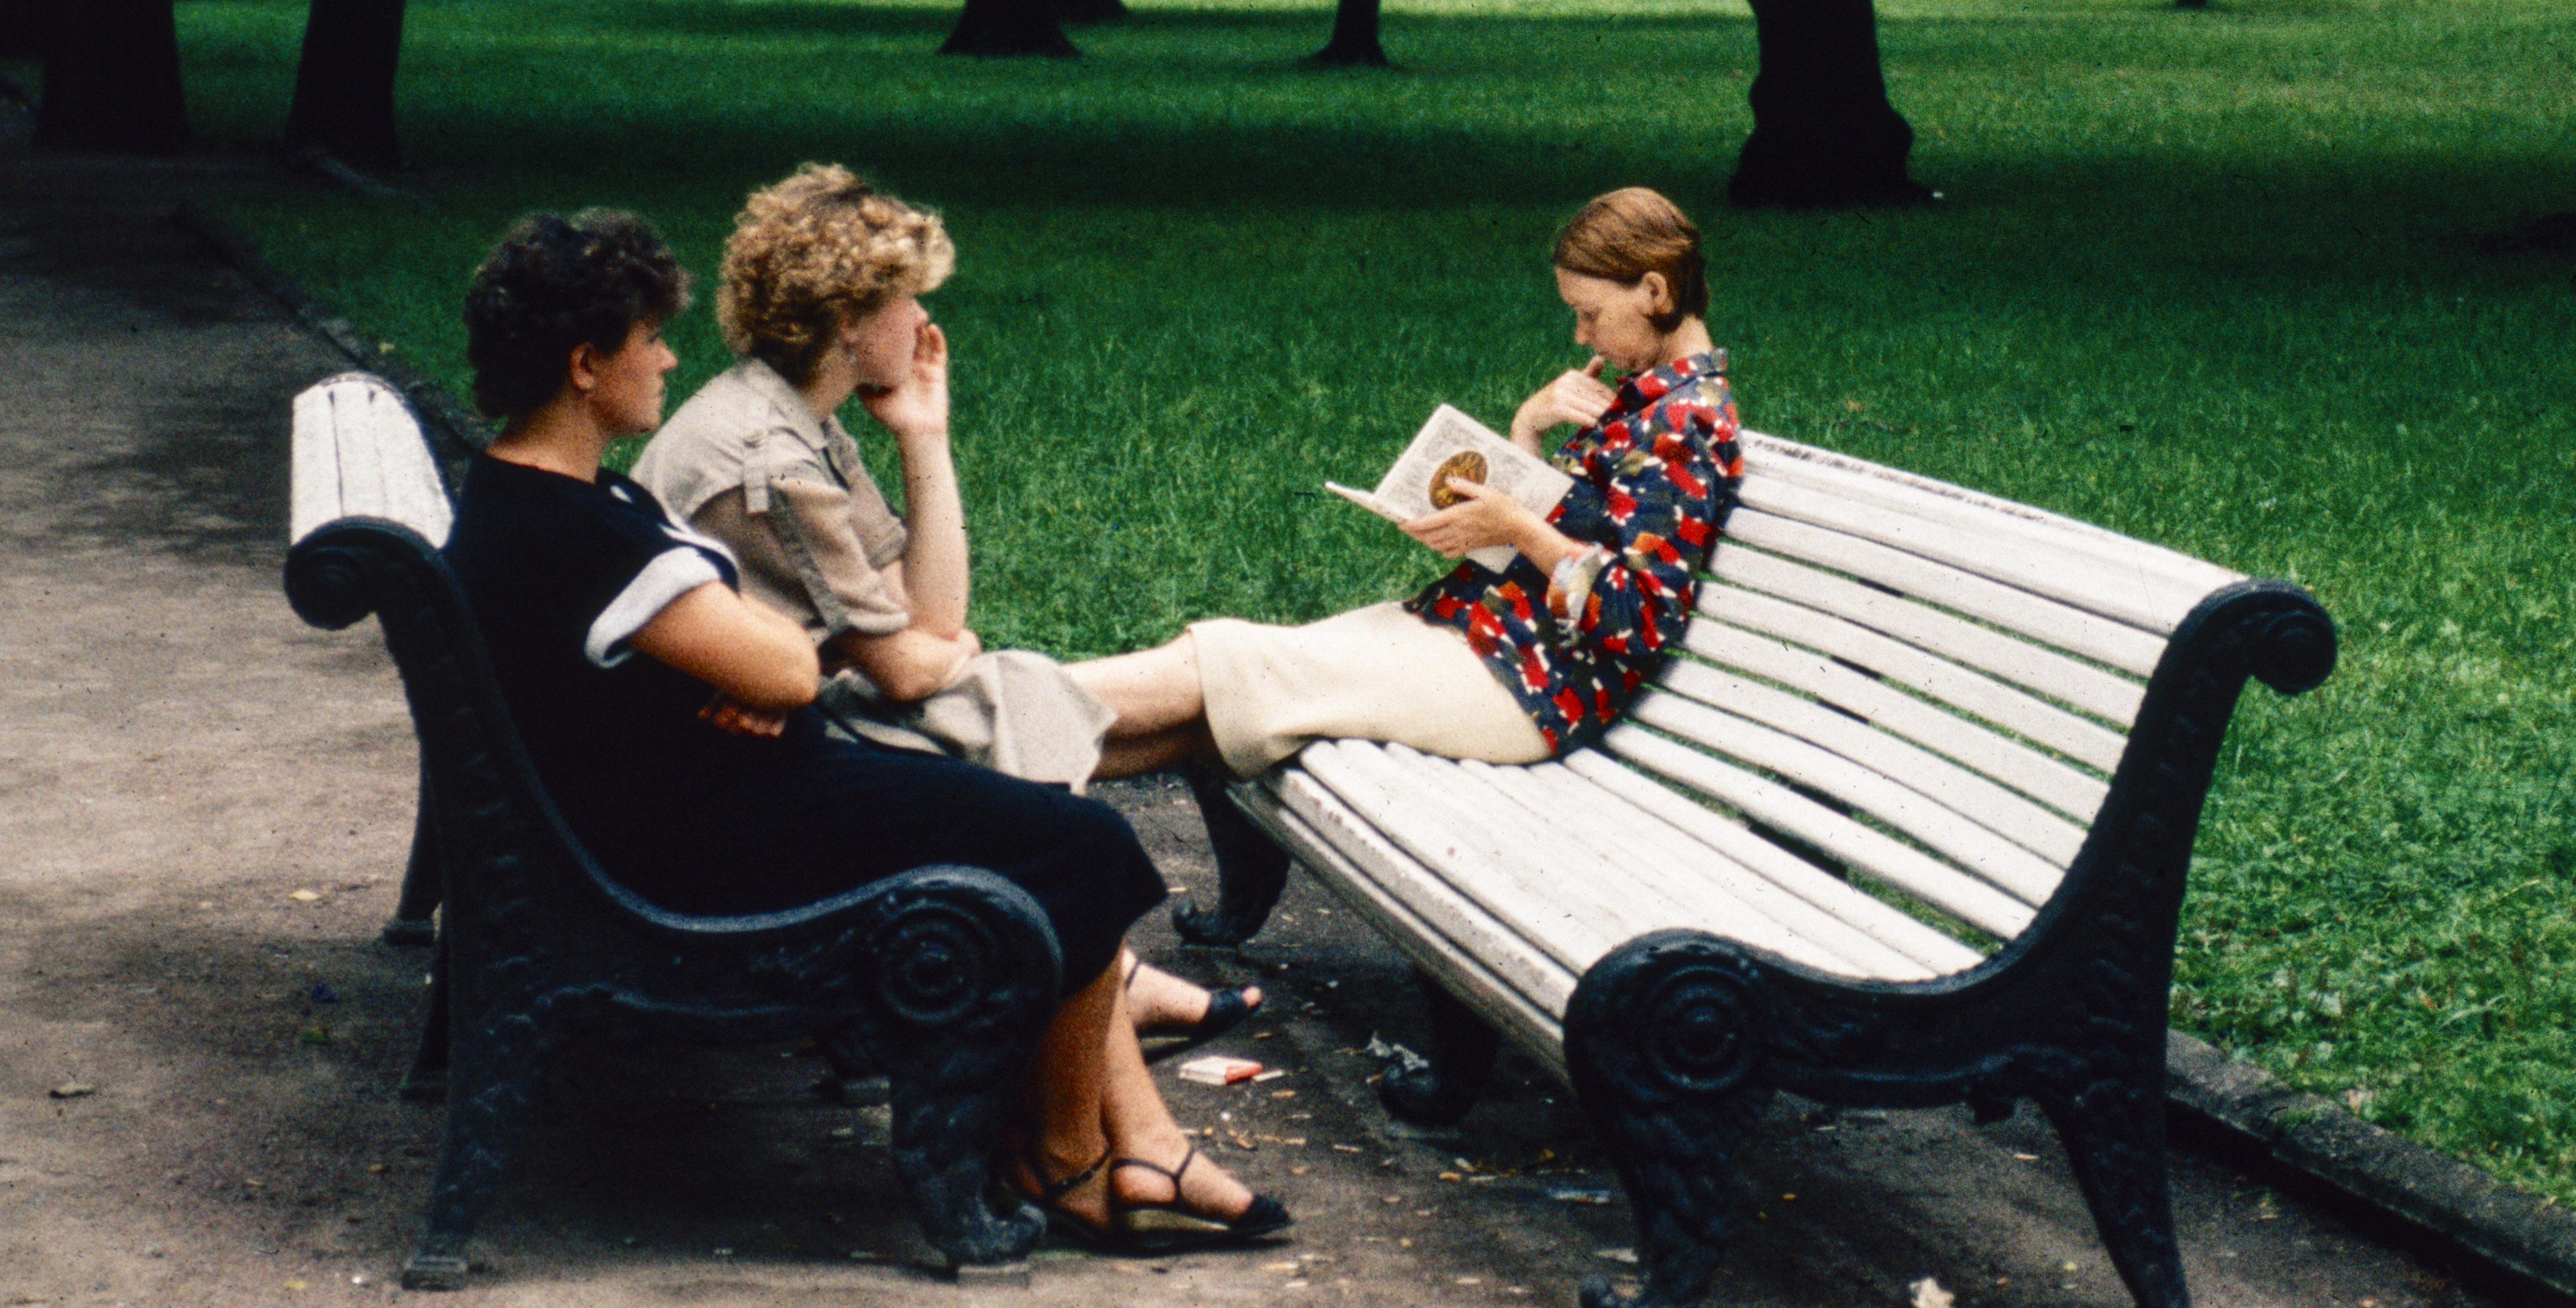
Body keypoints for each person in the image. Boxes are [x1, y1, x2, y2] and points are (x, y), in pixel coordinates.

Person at [446, 209, 1284, 1253]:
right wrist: (765, 664)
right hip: (702, 846)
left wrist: (747, 665)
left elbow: (770, 651)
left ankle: (1097, 1135)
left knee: (1041, 826)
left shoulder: (537, 496)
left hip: (686, 806)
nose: (667, 357)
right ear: (584, 363)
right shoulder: (575, 528)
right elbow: (792, 660)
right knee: (1085, 845)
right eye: (648, 337)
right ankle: (1068, 1156)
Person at [631, 168, 1259, 1051]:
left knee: (1039, 691)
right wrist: (940, 643)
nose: (925, 324)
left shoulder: (798, 414)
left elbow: (928, 614)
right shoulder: (769, 457)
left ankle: (1104, 968)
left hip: (799, 720)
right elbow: (908, 660)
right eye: (908, 300)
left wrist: (924, 434)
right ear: (847, 319)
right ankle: (1095, 967)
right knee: (1025, 694)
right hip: (758, 767)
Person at [1067, 189, 1738, 779]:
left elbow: (1638, 621)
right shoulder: (1647, 403)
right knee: (1207, 706)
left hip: (1521, 684)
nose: (1581, 333)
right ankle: (985, 765)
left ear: (1655, 291)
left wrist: (1516, 526)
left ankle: (975, 714)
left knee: (1226, 662)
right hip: (1480, 640)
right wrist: (1526, 431)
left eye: (1590, 313)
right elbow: (1558, 548)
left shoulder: (1685, 425)